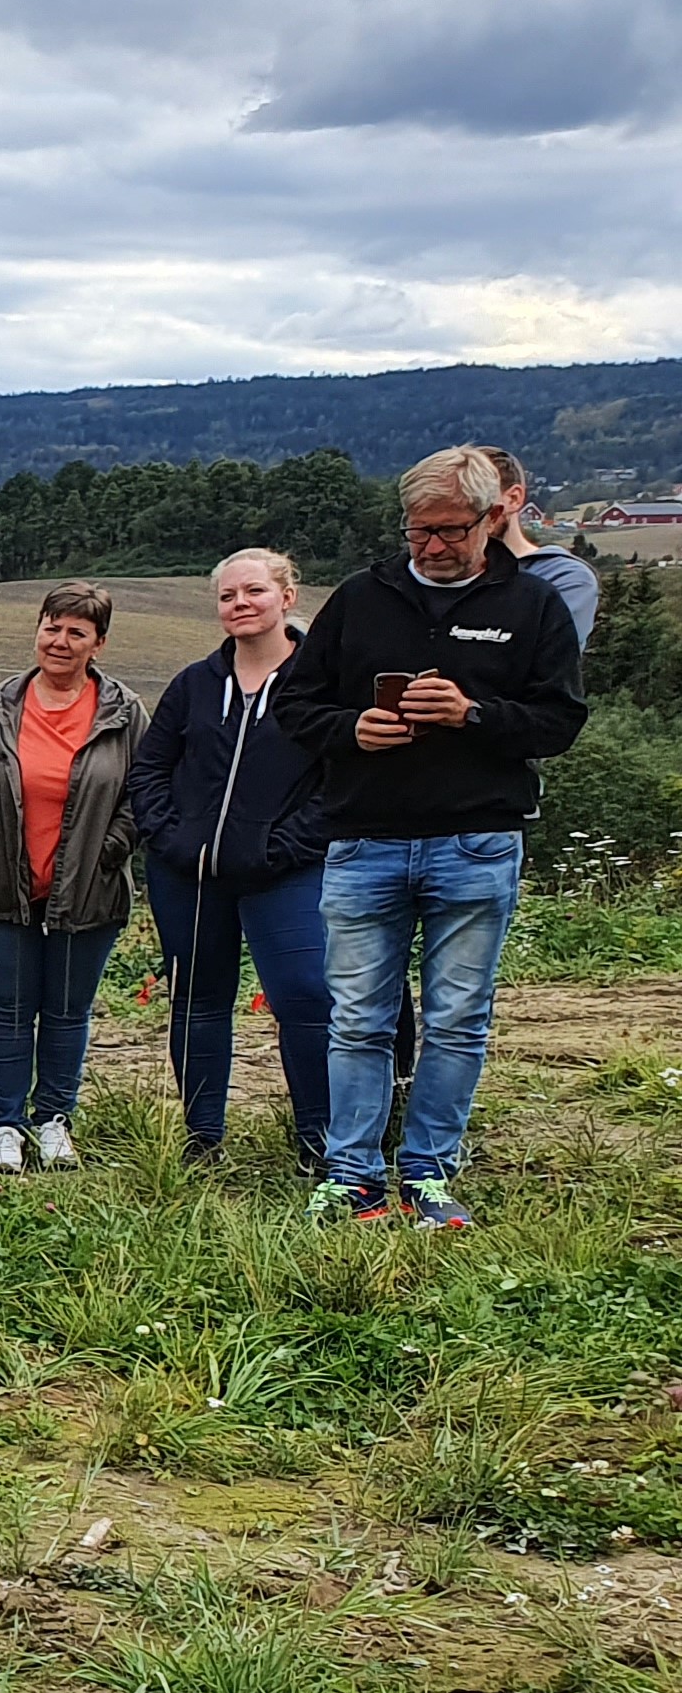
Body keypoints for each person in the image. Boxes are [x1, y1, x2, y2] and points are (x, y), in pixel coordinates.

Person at [275, 445, 589, 1227]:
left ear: (493, 518)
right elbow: (295, 706)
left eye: (450, 531)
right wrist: (354, 729)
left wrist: (474, 715)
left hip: (477, 840)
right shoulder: (360, 599)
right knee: (357, 1018)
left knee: (456, 1018)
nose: (432, 546)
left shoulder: (534, 605)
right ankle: (351, 1174)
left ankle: (428, 1173)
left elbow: (559, 721)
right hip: (365, 837)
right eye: (418, 531)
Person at [129, 549, 333, 1168]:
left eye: (254, 592)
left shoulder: (320, 685)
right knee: (197, 997)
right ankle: (201, 1138)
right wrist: (170, 838)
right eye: (227, 596)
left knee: (304, 996)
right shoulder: (195, 684)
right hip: (188, 876)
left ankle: (319, 1142)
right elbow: (150, 768)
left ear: (287, 598)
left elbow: (338, 784)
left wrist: (285, 846)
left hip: (284, 874)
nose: (240, 605)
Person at [0, 582, 148, 1172]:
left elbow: (147, 793)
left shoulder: (124, 712)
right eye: (51, 627)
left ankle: (54, 1119)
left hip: (89, 887)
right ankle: (4, 1126)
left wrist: (113, 849)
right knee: (6, 1010)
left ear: (98, 644)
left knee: (64, 1010)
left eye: (76, 632)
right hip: (2, 883)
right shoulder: (0, 706)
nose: (59, 641)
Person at [479, 448, 601, 651]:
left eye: (478, 502)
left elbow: (538, 660)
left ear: (513, 498)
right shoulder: (430, 571)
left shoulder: (564, 577)